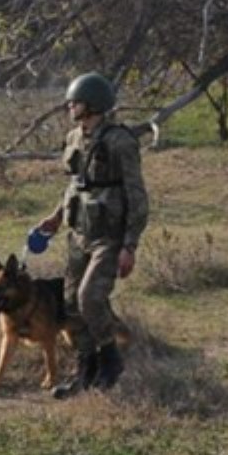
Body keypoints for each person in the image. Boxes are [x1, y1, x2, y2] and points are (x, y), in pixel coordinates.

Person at [33, 72, 149, 398]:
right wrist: (57, 217)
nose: (70, 106)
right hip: (79, 233)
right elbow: (76, 184)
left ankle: (110, 361)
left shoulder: (120, 141)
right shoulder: (74, 138)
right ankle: (86, 369)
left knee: (90, 298)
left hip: (109, 237)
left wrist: (129, 245)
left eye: (76, 102)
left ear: (93, 104)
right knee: (71, 303)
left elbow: (137, 196)